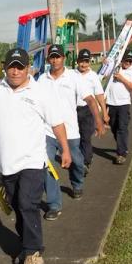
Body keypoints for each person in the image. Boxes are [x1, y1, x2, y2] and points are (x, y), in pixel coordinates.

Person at [0, 48, 69, 264]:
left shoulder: (40, 91)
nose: (15, 70)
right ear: (4, 67)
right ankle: (29, 246)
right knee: (18, 207)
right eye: (11, 66)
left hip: (33, 161)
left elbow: (56, 122)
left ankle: (33, 254)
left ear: (28, 68)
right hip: (7, 164)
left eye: (20, 66)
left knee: (27, 203)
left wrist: (64, 148)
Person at [37, 45, 104, 221]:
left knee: (76, 161)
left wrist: (99, 121)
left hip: (70, 130)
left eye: (58, 56)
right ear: (48, 60)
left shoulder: (74, 78)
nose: (55, 60)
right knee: (48, 164)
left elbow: (90, 99)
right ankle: (54, 204)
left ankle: (77, 183)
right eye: (52, 57)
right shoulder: (42, 79)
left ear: (63, 58)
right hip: (48, 131)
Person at [74, 49, 108, 174]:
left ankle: (86, 162)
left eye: (86, 61)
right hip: (72, 111)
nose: (83, 64)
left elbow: (99, 95)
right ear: (77, 61)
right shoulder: (72, 74)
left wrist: (104, 112)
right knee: (75, 138)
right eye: (81, 61)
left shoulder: (93, 76)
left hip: (88, 110)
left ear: (89, 62)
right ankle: (78, 160)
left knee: (86, 137)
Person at [105, 51, 132, 165]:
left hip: (124, 104)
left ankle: (121, 154)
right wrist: (105, 64)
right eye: (126, 60)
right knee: (114, 128)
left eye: (130, 61)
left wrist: (122, 78)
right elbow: (103, 75)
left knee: (122, 128)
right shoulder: (115, 67)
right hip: (111, 102)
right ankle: (123, 146)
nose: (127, 63)